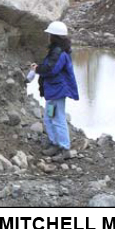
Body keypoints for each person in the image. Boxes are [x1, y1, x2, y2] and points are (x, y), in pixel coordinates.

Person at [30, 21, 79, 157]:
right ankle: (54, 144)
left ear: (54, 36)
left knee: (58, 119)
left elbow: (51, 69)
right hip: (53, 91)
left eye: (50, 34)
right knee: (49, 118)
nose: (48, 37)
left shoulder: (59, 53)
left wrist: (37, 69)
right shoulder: (56, 51)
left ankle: (64, 148)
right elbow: (50, 65)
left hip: (57, 91)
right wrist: (39, 67)